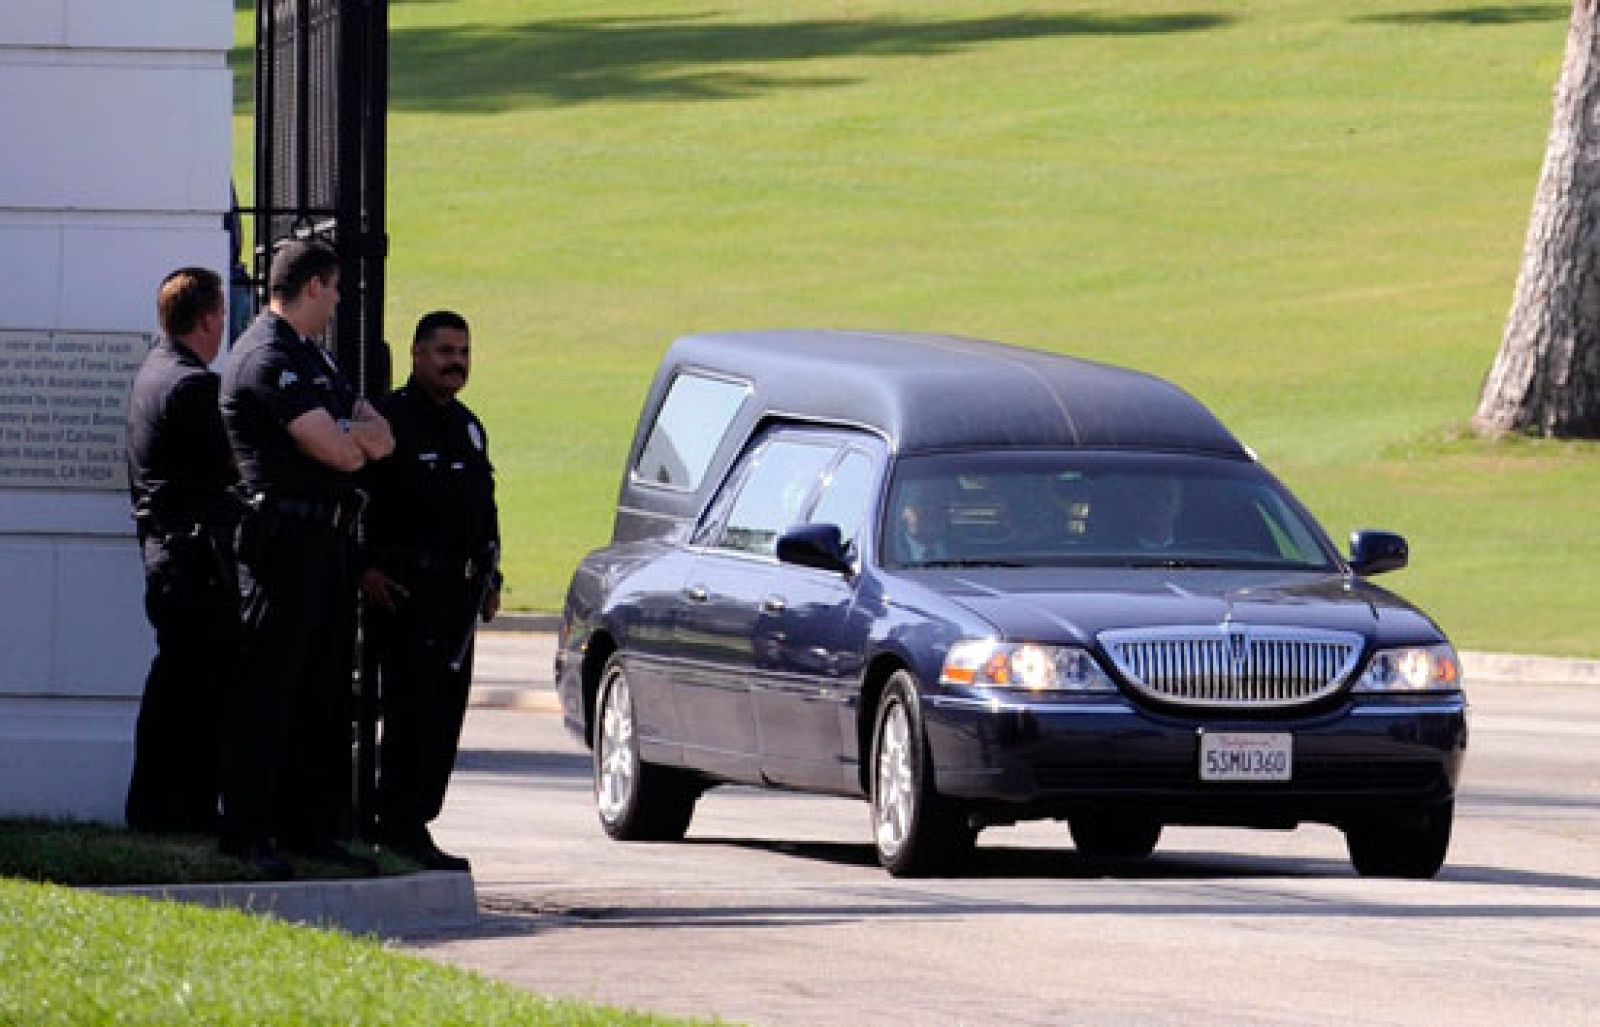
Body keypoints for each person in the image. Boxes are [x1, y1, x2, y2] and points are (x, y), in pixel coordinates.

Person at [218, 238, 394, 875]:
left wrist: (354, 436)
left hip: (326, 541)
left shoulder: (312, 357)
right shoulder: (267, 355)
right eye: (337, 286)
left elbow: (381, 434)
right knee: (271, 687)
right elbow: (343, 450)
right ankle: (249, 827)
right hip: (282, 543)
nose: (342, 297)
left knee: (322, 692)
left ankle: (308, 826)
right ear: (314, 286)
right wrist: (354, 439)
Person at [359, 310, 500, 872]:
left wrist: (492, 578)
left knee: (445, 716)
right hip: (406, 591)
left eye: (463, 352)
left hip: (458, 599)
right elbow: (361, 500)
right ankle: (395, 824)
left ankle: (418, 820)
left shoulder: (469, 426)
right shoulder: (391, 421)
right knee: (410, 713)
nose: (455, 363)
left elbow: (485, 511)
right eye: (444, 352)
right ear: (417, 355)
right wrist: (365, 568)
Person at [124, 267, 240, 834]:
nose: (225, 326)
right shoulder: (193, 385)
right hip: (192, 558)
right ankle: (182, 809)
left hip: (168, 554)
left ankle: (159, 808)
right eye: (222, 315)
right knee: (197, 689)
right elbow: (232, 464)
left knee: (176, 683)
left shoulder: (154, 371)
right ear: (208, 318)